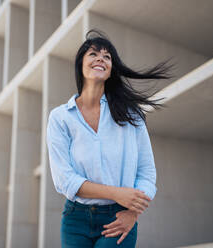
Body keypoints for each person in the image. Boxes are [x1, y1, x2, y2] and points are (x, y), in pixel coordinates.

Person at [46, 29, 173, 248]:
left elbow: (146, 172)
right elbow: (64, 180)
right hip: (75, 220)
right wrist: (116, 193)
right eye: (93, 54)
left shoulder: (131, 115)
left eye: (107, 57)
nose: (101, 59)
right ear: (81, 64)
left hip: (119, 217)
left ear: (111, 69)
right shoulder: (60, 117)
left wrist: (132, 212)